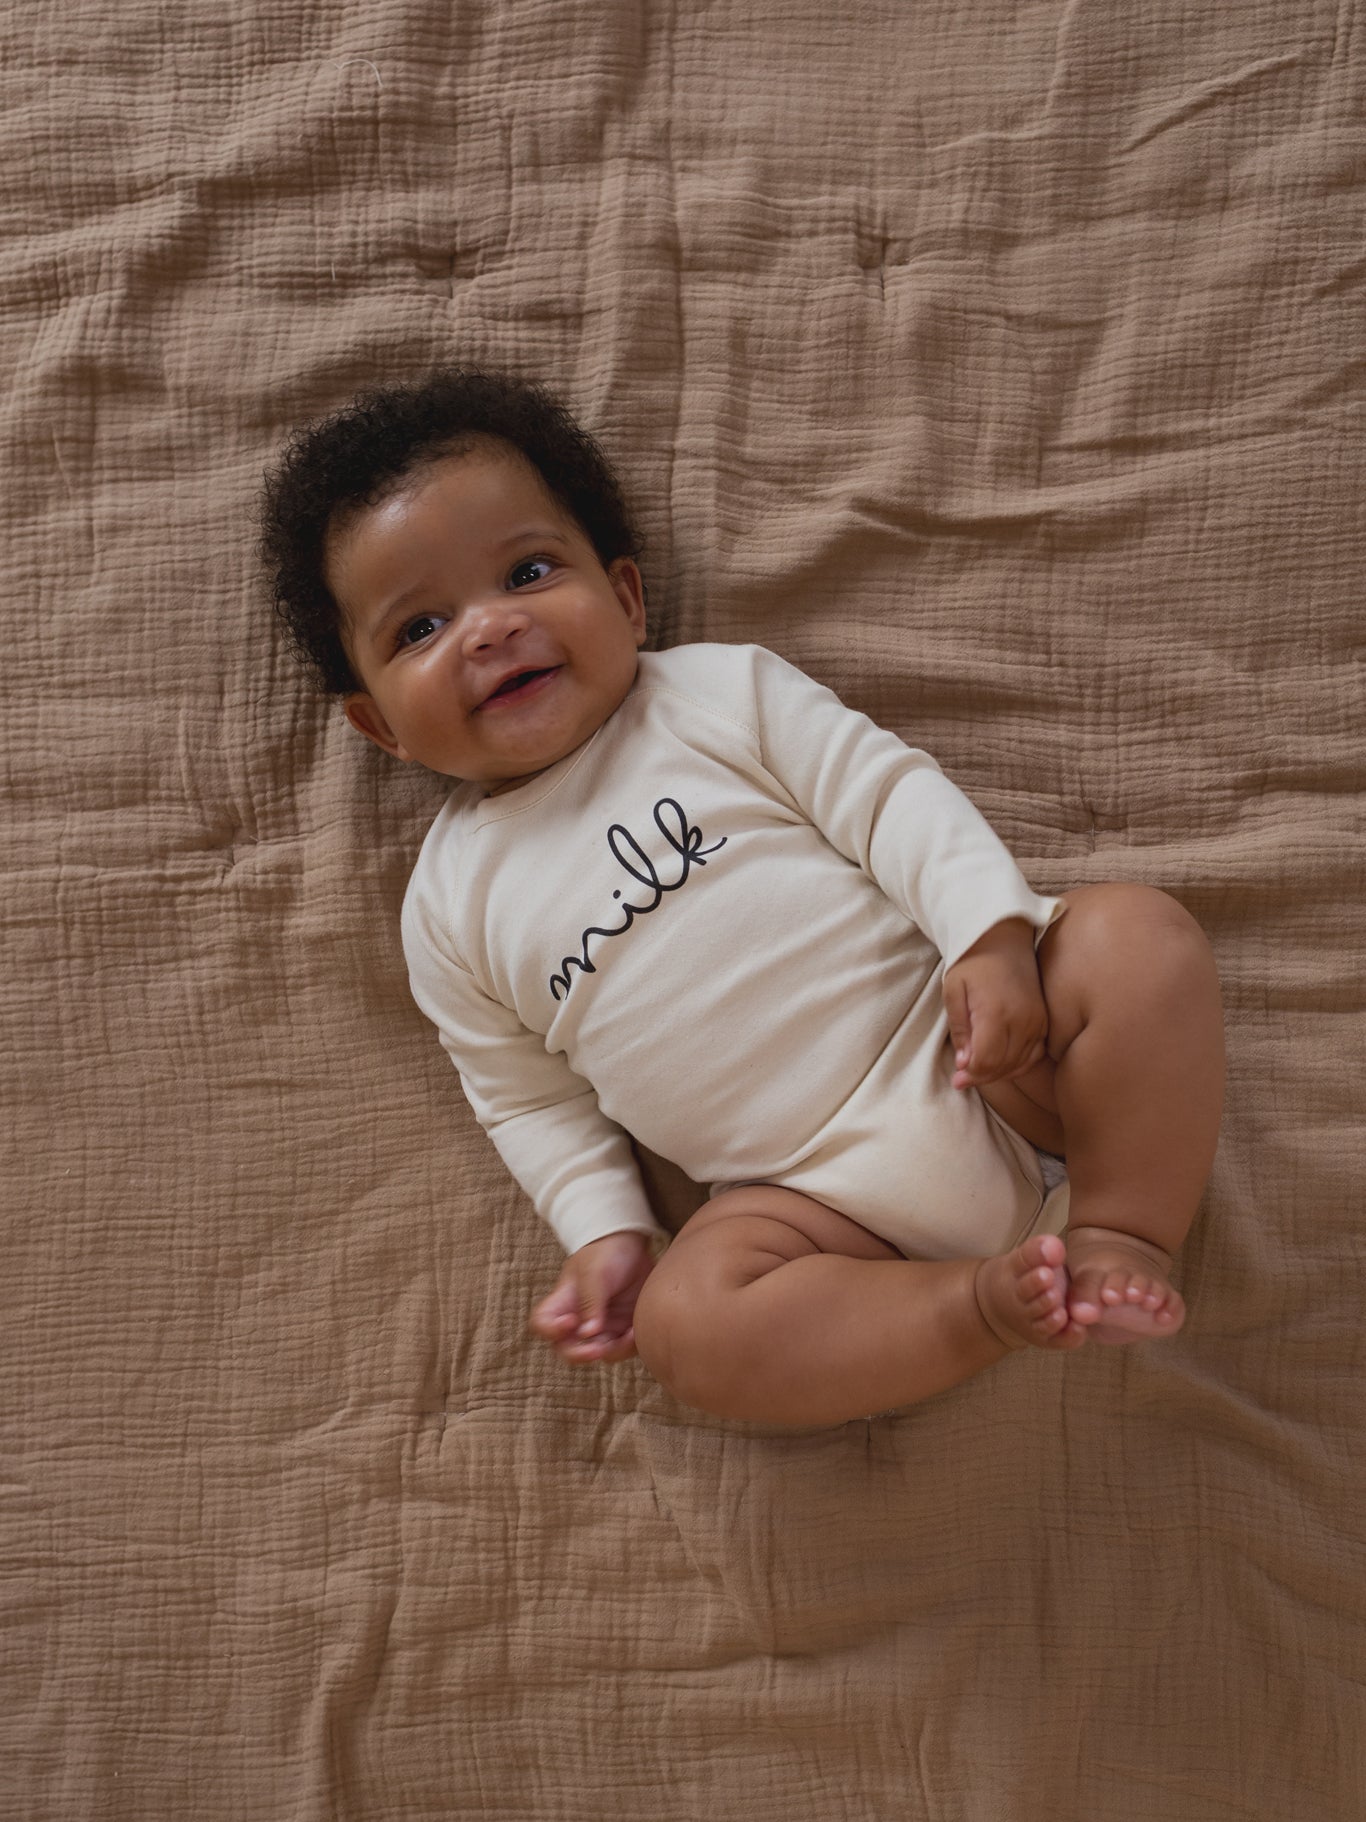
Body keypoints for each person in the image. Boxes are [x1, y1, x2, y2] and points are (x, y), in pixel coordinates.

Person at [258, 368, 1226, 1427]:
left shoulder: (716, 697)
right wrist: (602, 1233)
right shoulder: (448, 909)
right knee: (688, 1328)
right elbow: (526, 1100)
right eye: (419, 629)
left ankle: (1119, 1234)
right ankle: (976, 1306)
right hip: (810, 1209)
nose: (489, 629)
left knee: (1132, 936)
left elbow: (887, 800)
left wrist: (986, 938)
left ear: (626, 598)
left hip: (977, 1055)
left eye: (528, 573)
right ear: (379, 726)